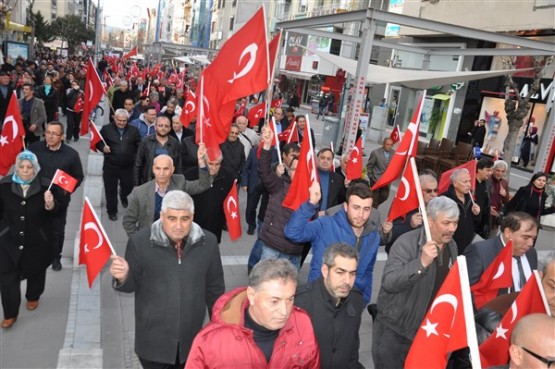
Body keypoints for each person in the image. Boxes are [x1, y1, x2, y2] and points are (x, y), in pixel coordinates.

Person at [110, 190, 225, 368]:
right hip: (153, 344)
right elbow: (130, 286)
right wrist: (124, 276)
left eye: (184, 219)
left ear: (192, 216)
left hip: (192, 342)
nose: (178, 225)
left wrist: (221, 328)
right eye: (172, 218)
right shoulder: (139, 242)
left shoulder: (208, 242)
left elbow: (215, 290)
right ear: (162, 216)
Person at [372, 196, 459, 368]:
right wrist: (421, 263)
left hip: (428, 331)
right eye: (447, 222)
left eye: (455, 223)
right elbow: (389, 282)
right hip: (395, 333)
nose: (452, 229)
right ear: (430, 220)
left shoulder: (452, 246)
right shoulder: (406, 243)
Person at [185, 258, 320, 369]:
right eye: (274, 301)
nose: (284, 311)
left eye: (290, 299)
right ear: (251, 295)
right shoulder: (210, 340)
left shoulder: (303, 323)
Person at [285, 182, 389, 304]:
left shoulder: (373, 236)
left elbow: (367, 271)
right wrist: (310, 204)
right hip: (319, 299)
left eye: (366, 209)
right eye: (356, 208)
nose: (361, 215)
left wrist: (363, 300)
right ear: (345, 206)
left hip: (350, 305)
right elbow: (292, 233)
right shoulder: (325, 224)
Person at [0, 151, 61, 329]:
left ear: (35, 169)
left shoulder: (46, 186)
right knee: (6, 276)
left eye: (29, 167)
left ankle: (33, 296)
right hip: (8, 240)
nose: (25, 170)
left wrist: (50, 204)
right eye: (22, 167)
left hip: (37, 239)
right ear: (16, 168)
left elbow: (57, 211)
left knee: (36, 270)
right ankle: (10, 313)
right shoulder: (4, 185)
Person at [295, 243, 364, 369]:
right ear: (325, 271)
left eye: (352, 273)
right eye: (340, 272)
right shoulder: (299, 302)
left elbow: (353, 349)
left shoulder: (356, 299)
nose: (347, 281)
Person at [29, 121, 84, 271]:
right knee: (35, 228)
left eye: (54, 133)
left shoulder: (71, 155)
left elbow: (79, 176)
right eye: (48, 132)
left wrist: (68, 190)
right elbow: (26, 167)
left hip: (59, 200)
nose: (50, 136)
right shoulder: (35, 149)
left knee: (57, 230)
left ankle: (55, 258)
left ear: (62, 136)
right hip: (36, 196)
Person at [123, 152, 210, 236]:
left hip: (174, 239)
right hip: (150, 239)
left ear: (172, 170)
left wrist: (202, 163)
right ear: (153, 169)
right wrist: (138, 241)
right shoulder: (139, 193)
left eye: (166, 169)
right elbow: (128, 222)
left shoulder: (180, 183)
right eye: (158, 168)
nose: (161, 173)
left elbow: (203, 185)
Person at [255, 126, 304, 269]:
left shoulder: (309, 193)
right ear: (289, 170)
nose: (296, 173)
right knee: (265, 280)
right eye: (294, 169)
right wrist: (267, 146)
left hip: (294, 250)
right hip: (273, 244)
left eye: (300, 170)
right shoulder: (280, 184)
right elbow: (264, 171)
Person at [464, 211, 538, 296]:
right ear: (508, 233)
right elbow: (465, 293)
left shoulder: (531, 253)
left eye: (533, 238)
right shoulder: (480, 252)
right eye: (526, 237)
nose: (530, 243)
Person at [96, 108, 142, 221]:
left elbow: (139, 145)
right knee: (110, 190)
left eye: (124, 120)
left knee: (128, 187)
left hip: (128, 166)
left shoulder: (134, 130)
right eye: (119, 120)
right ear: (114, 118)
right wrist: (103, 148)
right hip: (110, 166)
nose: (121, 123)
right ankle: (112, 211)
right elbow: (98, 142)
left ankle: (123, 195)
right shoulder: (106, 129)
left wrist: (135, 157)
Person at [184, 153, 235, 243]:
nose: (214, 167)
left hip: (215, 226)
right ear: (203, 162)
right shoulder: (189, 175)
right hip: (193, 225)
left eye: (217, 164)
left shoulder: (228, 177)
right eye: (210, 164)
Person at [386, 172, 438, 254]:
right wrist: (410, 225)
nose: (433, 194)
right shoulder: (403, 203)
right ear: (418, 190)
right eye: (428, 191)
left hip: (423, 255)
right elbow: (391, 233)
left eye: (435, 190)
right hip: (402, 254)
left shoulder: (437, 207)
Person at [441, 168, 481, 255]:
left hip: (465, 246)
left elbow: (476, 223)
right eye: (465, 182)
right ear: (455, 183)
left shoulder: (471, 199)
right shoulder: (444, 199)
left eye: (469, 181)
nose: (469, 185)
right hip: (449, 247)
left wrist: (476, 214)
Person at [134, 116, 183, 186]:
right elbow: (138, 164)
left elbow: (179, 166)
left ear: (169, 129)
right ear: (155, 127)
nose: (163, 128)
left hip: (169, 184)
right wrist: (136, 185)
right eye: (160, 125)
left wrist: (179, 185)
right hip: (148, 182)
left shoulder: (175, 143)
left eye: (166, 126)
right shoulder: (146, 142)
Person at [315, 148, 346, 212]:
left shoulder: (338, 179)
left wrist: (347, 187)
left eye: (328, 159)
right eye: (322, 158)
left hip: (330, 218)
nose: (325, 161)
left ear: (332, 162)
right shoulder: (310, 175)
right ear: (317, 159)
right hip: (310, 218)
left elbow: (342, 200)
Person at [366, 137, 394, 208]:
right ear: (383, 144)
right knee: (374, 198)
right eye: (387, 144)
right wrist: (371, 177)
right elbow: (369, 166)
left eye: (391, 145)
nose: (389, 146)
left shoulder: (394, 153)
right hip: (376, 179)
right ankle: (373, 211)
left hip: (386, 181)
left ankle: (373, 205)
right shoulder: (375, 153)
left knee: (385, 196)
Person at [490, 160, 511, 235]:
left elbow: (506, 201)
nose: (500, 173)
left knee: (491, 240)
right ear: (493, 170)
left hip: (495, 216)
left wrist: (505, 195)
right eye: (498, 170)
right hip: (484, 212)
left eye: (502, 171)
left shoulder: (504, 183)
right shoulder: (487, 179)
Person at [475, 158, 494, 238]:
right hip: (472, 222)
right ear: (479, 169)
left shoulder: (487, 183)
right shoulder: (471, 184)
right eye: (488, 170)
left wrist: (488, 208)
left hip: (481, 224)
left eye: (491, 170)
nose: (490, 173)